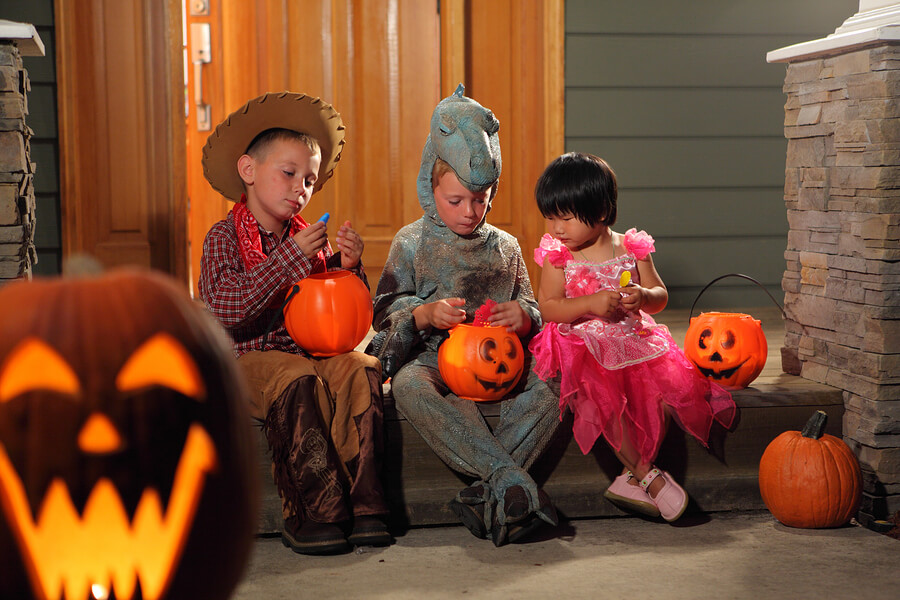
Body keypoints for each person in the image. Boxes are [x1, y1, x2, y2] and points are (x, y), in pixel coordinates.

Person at [367, 85, 560, 547]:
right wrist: (424, 314)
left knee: (558, 383)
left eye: (481, 200)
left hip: (501, 358)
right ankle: (507, 477)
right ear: (431, 188)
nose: (469, 212)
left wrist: (524, 316)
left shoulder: (506, 247)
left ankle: (488, 489)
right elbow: (385, 314)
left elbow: (530, 305)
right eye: (455, 201)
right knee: (410, 387)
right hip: (435, 356)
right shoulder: (411, 242)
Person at [198, 92, 390, 555]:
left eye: (309, 180)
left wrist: (349, 266)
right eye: (288, 173)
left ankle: (365, 504)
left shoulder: (310, 243)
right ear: (249, 171)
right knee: (294, 374)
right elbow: (227, 308)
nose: (300, 188)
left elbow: (339, 315)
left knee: (362, 366)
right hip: (249, 362)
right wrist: (291, 258)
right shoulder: (223, 237)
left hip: (312, 354)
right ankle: (312, 509)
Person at [529, 152, 737, 522]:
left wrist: (643, 297)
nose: (556, 227)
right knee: (598, 399)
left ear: (603, 212)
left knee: (665, 394)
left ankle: (628, 478)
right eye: (550, 215)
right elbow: (548, 306)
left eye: (566, 217)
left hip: (631, 336)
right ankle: (648, 475)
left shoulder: (631, 246)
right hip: (581, 340)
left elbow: (660, 295)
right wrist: (590, 303)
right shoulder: (558, 256)